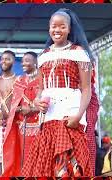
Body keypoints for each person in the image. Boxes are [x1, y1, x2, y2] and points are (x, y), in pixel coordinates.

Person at [22, 8, 93, 177]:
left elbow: (86, 89)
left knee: (71, 167)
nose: (57, 30)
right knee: (48, 166)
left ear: (69, 29)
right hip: (49, 118)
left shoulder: (79, 53)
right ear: (49, 28)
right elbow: (41, 88)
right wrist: (37, 101)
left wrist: (78, 116)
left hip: (70, 116)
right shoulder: (43, 56)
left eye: (62, 27)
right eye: (54, 26)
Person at [2, 52, 40, 176]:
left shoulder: (42, 80)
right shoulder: (19, 80)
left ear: (35, 63)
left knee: (37, 161)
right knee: (20, 160)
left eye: (27, 61)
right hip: (21, 129)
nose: (24, 63)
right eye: (23, 61)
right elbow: (13, 103)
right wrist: (12, 111)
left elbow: (48, 102)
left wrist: (32, 109)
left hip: (40, 128)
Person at [0, 50, 17, 175]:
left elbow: (19, 102)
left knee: (12, 155)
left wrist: (9, 117)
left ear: (13, 61)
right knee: (0, 159)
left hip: (14, 122)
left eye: (7, 59)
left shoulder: (18, 80)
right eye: (2, 59)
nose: (4, 61)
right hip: (0, 123)